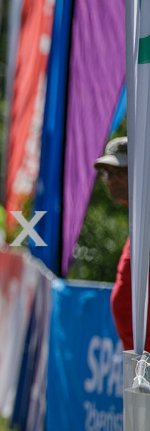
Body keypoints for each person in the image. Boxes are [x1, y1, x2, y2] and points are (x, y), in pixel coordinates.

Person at [94, 136, 150, 352]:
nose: (112, 180)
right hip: (139, 362)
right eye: (108, 173)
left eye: (121, 171)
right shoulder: (138, 221)